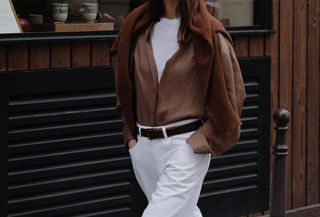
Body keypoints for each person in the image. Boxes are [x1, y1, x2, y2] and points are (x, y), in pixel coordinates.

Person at [110, 0, 246, 216]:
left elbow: (233, 93)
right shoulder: (136, 27)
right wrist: (130, 136)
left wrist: (202, 140)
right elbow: (123, 82)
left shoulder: (208, 31)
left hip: (185, 147)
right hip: (143, 147)